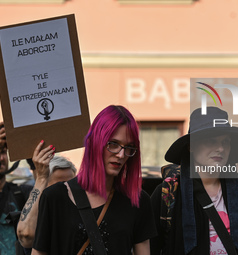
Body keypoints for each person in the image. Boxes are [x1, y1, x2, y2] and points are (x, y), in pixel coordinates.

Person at [150, 106, 238, 255]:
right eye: (211, 140)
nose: (220, 148)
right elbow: (149, 249)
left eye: (225, 141)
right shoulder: (168, 193)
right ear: (191, 146)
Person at [32, 105, 157, 255]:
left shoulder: (138, 201)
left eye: (129, 147)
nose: (121, 154)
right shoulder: (54, 197)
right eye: (113, 144)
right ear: (95, 142)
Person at [17, 151, 76, 254]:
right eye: (59, 186)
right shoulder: (37, 219)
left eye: (70, 184)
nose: (66, 190)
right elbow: (26, 234)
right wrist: (42, 178)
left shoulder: (82, 211)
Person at [0, 122, 33, 255]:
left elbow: (48, 199)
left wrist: (28, 151)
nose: (1, 158)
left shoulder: (22, 193)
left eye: (3, 152)